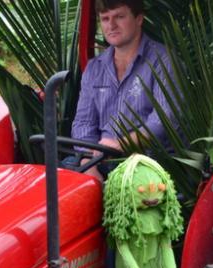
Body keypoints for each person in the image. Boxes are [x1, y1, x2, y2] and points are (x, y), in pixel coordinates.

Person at [70, 0, 174, 180]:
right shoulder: (95, 68)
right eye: (105, 19)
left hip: (148, 165)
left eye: (119, 16)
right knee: (50, 187)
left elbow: (164, 120)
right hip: (99, 162)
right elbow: (83, 123)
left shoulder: (163, 61)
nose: (111, 25)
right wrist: (88, 164)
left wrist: (120, 144)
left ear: (139, 19)